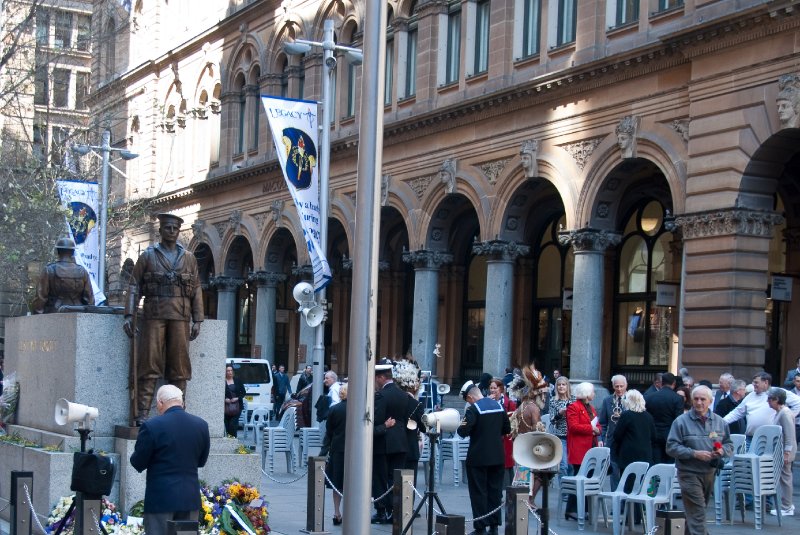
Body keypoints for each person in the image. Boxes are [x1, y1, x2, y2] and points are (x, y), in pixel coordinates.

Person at [124, 213, 204, 425]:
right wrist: (128, 314)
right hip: (154, 314)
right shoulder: (148, 256)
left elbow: (196, 288)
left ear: (179, 232)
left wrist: (198, 319)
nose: (171, 232)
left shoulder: (189, 258)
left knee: (179, 367)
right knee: (149, 364)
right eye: (167, 228)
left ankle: (179, 410)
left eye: (174, 229)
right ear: (160, 231)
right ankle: (142, 413)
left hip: (180, 316)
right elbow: (134, 286)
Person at [130, 385, 210, 535]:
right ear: (182, 402)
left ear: (160, 403)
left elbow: (137, 463)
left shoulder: (151, 426)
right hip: (189, 498)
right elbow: (201, 462)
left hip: (161, 499)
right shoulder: (201, 425)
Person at [666, 385, 733, 535]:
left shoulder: (720, 422)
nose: (699, 402)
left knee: (696, 511)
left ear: (710, 401)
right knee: (697, 512)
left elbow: (729, 444)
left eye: (703, 399)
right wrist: (694, 454)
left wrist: (722, 451)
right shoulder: (681, 421)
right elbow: (671, 447)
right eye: (696, 399)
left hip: (709, 472)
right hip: (688, 473)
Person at [458, 380, 510, 535]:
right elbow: (506, 429)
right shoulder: (499, 406)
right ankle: (494, 526)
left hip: (478, 457)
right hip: (497, 456)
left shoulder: (473, 409)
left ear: (470, 398)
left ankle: (480, 527)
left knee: (478, 492)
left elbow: (463, 431)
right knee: (495, 491)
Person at [370, 359, 409, 524]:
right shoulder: (403, 394)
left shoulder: (381, 396)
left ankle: (381, 510)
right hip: (400, 441)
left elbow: (377, 420)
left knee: (379, 478)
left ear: (380, 378)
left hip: (383, 442)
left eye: (375, 379)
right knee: (396, 478)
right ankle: (395, 511)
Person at [508, 364, 549, 505]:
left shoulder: (521, 406)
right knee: (544, 473)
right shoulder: (533, 408)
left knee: (524, 473)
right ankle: (530, 499)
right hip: (530, 447)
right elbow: (536, 431)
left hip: (521, 446)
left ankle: (522, 498)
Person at [723, 372, 800, 446]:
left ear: (766, 382)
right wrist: (722, 422)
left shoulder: (777, 392)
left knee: (766, 459)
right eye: (753, 382)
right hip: (750, 439)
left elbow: (798, 402)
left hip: (770, 439)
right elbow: (737, 413)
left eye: (756, 382)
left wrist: (789, 416)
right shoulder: (750, 396)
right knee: (747, 459)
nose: (753, 384)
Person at [565, 382, 601, 521]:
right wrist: (591, 428)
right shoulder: (574, 407)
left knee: (587, 480)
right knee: (579, 478)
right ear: (586, 393)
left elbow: (597, 424)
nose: (593, 394)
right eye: (592, 392)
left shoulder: (591, 408)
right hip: (580, 448)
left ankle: (584, 509)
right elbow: (573, 426)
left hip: (591, 447)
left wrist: (597, 429)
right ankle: (572, 509)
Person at [32, 237, 94, 313]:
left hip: (54, 313)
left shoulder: (49, 270)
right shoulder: (83, 271)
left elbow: (40, 297)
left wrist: (37, 316)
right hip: (78, 312)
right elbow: (89, 298)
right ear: (73, 252)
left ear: (58, 251)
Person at [612, 390, 656, 492]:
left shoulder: (627, 415)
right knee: (642, 485)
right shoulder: (648, 416)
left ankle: (628, 507)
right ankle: (640, 507)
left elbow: (617, 435)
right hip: (645, 454)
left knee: (628, 485)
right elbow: (654, 436)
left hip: (628, 455)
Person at [766, 387, 796, 517]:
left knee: (785, 478)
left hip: (785, 451)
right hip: (783, 450)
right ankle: (787, 504)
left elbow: (789, 435)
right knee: (785, 477)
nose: (767, 401)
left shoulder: (784, 413)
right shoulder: (781, 412)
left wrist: (786, 453)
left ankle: (787, 506)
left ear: (776, 400)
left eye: (769, 399)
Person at [320, 383, 347, 526]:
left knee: (337, 484)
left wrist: (323, 452)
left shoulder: (334, 410)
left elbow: (328, 433)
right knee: (352, 483)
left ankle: (337, 512)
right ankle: (352, 512)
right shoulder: (358, 409)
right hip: (355, 451)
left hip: (337, 450)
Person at [645, 372, 684, 463]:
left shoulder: (649, 397)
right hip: (670, 435)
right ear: (674, 383)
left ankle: (655, 478)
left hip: (654, 435)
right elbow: (678, 420)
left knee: (655, 465)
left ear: (662, 383)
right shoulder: (677, 398)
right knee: (669, 464)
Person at [598, 374, 627, 489]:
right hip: (612, 441)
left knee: (626, 470)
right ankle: (615, 496)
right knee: (614, 471)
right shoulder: (607, 400)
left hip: (627, 441)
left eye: (621, 386)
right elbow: (603, 423)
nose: (619, 389)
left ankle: (625, 496)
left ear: (626, 386)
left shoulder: (632, 399)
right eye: (616, 386)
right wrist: (601, 439)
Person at [488, 378, 517, 487]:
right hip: (491, 437)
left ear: (501, 389)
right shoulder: (487, 402)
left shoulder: (509, 403)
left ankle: (507, 487)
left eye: (495, 388)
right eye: (491, 388)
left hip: (504, 437)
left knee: (506, 463)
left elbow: (513, 422)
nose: (492, 390)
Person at [548, 375, 574, 486]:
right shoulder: (553, 401)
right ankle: (565, 493)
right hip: (560, 436)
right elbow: (552, 420)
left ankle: (572, 490)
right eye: (559, 385)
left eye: (563, 384)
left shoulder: (574, 400)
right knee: (563, 465)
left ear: (567, 386)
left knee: (572, 465)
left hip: (573, 436)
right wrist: (560, 413)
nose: (561, 387)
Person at [224, 365, 246, 437]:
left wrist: (237, 398)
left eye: (231, 370)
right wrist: (224, 399)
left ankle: (233, 442)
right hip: (226, 407)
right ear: (225, 372)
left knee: (233, 425)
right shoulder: (222, 381)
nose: (230, 372)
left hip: (237, 406)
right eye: (228, 371)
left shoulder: (237, 380)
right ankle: (229, 444)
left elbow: (243, 393)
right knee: (227, 426)